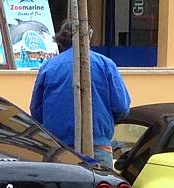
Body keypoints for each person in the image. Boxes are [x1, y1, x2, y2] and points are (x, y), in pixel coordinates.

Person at [30, 20, 131, 169]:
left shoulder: (48, 67)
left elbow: (36, 112)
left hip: (59, 148)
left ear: (61, 40)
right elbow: (121, 107)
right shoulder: (105, 64)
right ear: (88, 38)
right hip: (98, 145)